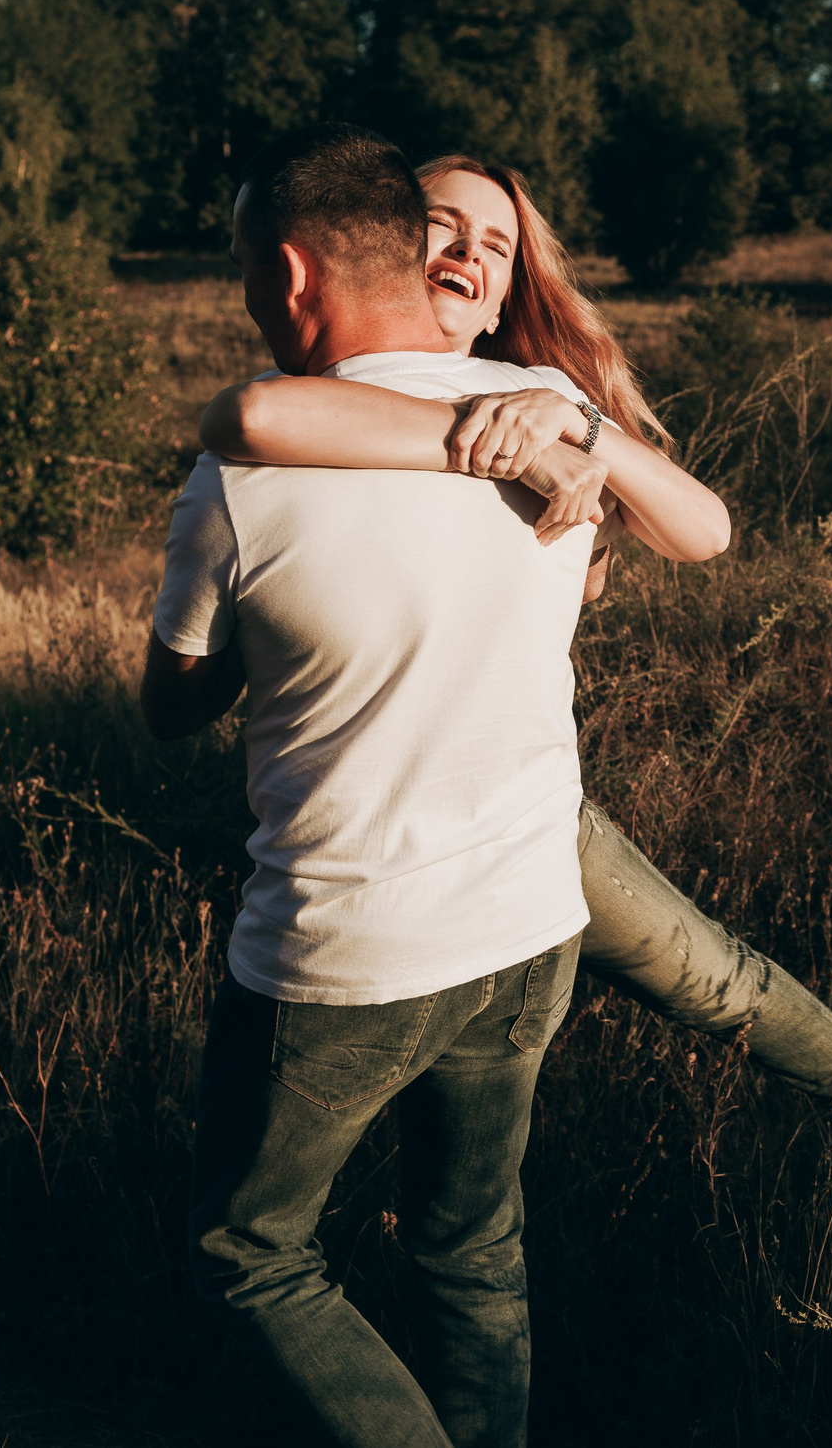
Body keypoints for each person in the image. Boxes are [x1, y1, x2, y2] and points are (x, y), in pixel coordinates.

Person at [197, 155, 832, 1184]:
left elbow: (705, 529)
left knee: (714, 977)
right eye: (440, 224)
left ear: (507, 290)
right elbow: (255, 417)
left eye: (495, 246)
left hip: (519, 813)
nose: (466, 251)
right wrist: (503, 448)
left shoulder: (537, 396)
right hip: (375, 822)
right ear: (373, 242)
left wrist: (571, 425)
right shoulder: (334, 407)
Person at [147, 123, 614, 1448]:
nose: (250, 301)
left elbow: (172, 708)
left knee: (251, 1250)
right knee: (471, 1248)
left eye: (247, 272)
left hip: (345, 950)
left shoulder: (243, 475)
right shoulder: (546, 421)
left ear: (293, 276)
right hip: (531, 921)